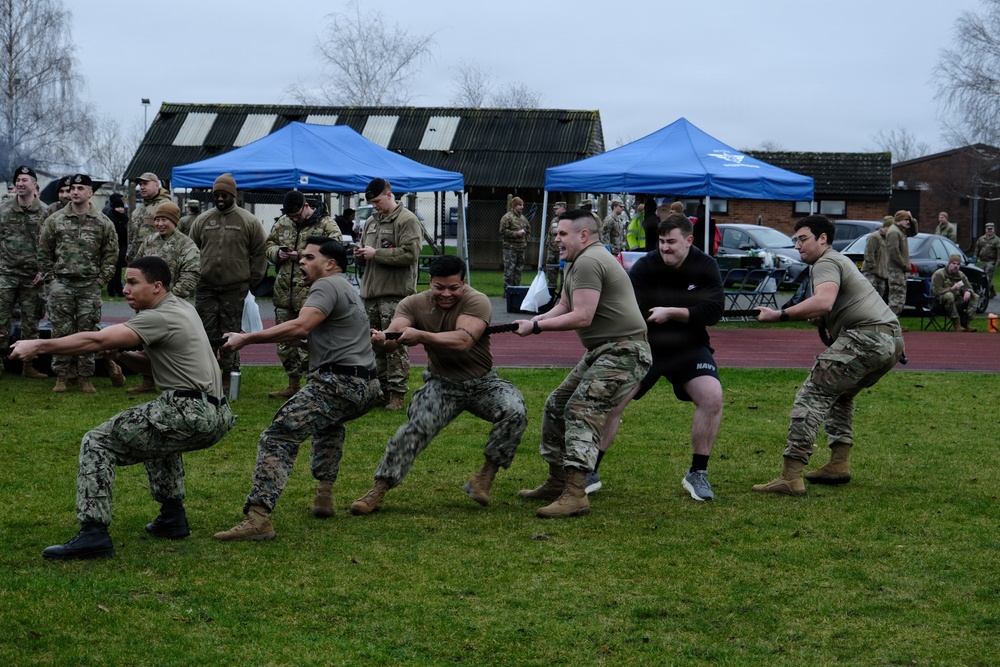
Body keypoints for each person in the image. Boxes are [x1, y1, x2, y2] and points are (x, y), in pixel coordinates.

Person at [11, 256, 236, 560]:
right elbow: (159, 366)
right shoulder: (182, 307)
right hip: (216, 413)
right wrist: (120, 354)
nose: (125, 289)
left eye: (133, 283)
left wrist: (38, 345)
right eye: (125, 282)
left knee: (97, 441)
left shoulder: (157, 317)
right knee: (159, 436)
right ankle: (172, 518)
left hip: (189, 410)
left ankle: (94, 534)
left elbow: (95, 338)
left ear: (157, 287)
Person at [213, 237, 380, 541]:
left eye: (309, 257)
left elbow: (302, 325)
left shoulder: (325, 285)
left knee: (279, 435)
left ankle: (258, 518)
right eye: (301, 257)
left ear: (330, 263)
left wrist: (246, 338)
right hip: (366, 386)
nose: (301, 261)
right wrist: (302, 340)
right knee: (328, 424)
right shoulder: (346, 287)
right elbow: (324, 335)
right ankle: (324, 496)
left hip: (339, 383)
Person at [350, 255, 528, 515]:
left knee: (515, 411)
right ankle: (378, 490)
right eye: (439, 287)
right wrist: (383, 340)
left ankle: (485, 476)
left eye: (453, 288)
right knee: (413, 431)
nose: (446, 294)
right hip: (442, 384)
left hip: (483, 383)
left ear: (463, 283)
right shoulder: (412, 304)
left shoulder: (476, 300)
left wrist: (421, 335)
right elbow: (395, 333)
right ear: (430, 282)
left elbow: (463, 340)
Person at [752, 215, 904, 495]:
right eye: (795, 240)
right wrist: (825, 318)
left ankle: (791, 475)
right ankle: (839, 463)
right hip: (891, 343)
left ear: (822, 239)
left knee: (812, 396)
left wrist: (780, 315)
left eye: (803, 238)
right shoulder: (840, 260)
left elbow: (823, 300)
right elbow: (833, 306)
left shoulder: (825, 261)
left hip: (867, 337)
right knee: (841, 394)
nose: (797, 245)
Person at [514, 209, 651, 518]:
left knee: (580, 409)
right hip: (603, 349)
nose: (556, 238)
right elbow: (564, 305)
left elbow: (582, 315)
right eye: (556, 234)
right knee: (556, 403)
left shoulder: (589, 261)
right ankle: (558, 481)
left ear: (584, 235)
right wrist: (536, 319)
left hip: (625, 350)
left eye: (562, 233)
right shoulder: (576, 262)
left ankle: (576, 493)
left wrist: (537, 328)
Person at [591, 213, 725, 500]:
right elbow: (628, 309)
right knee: (614, 401)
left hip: (690, 347)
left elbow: (714, 311)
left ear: (689, 241)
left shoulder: (705, 265)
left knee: (712, 397)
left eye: (672, 242)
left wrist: (672, 312)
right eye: (661, 241)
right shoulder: (645, 266)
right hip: (646, 347)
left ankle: (697, 473)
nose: (665, 247)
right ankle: (590, 469)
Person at [38, 174, 120, 393]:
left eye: (80, 188)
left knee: (88, 332)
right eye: (73, 188)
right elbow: (44, 251)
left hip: (89, 285)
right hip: (61, 284)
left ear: (90, 193)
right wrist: (50, 280)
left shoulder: (103, 222)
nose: (75, 192)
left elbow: (111, 255)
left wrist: (100, 281)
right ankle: (62, 376)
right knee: (60, 332)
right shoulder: (55, 220)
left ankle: (85, 377)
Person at [188, 173, 268, 392]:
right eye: (217, 195)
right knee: (205, 332)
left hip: (235, 288)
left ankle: (227, 375)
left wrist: (251, 280)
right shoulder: (203, 220)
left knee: (230, 333)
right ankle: (207, 374)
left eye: (224, 194)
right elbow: (191, 250)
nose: (220, 198)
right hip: (206, 287)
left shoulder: (248, 221)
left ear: (233, 195)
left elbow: (260, 253)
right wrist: (195, 275)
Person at [353, 178, 422, 411]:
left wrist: (377, 254)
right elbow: (368, 252)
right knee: (374, 344)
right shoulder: (371, 221)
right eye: (371, 203)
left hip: (395, 294)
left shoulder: (407, 220)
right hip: (371, 292)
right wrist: (360, 255)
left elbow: (410, 255)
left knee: (394, 345)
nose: (375, 206)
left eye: (377, 201)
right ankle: (380, 390)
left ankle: (397, 394)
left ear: (389, 194)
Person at [265, 190, 342, 399]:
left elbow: (337, 250)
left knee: (310, 344)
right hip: (284, 293)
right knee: (284, 343)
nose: (295, 219)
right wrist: (277, 253)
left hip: (311, 295)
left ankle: (314, 385)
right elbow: (269, 244)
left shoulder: (326, 225)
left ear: (306, 205)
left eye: (298, 215)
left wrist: (300, 255)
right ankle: (293, 383)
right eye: (291, 216)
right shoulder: (283, 222)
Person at [129, 202, 203, 395]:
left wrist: (171, 298)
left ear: (174, 221)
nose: (160, 224)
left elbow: (191, 273)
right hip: (146, 302)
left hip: (170, 304)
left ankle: (171, 379)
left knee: (167, 344)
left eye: (165, 220)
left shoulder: (186, 244)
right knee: (147, 342)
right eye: (157, 220)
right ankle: (147, 379)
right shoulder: (149, 241)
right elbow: (136, 266)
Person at [0, 166, 48, 379]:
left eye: (25, 180)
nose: (20, 184)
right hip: (6, 274)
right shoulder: (3, 210)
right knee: (0, 321)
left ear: (34, 185)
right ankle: (0, 364)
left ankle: (29, 366)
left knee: (31, 323)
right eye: (18, 180)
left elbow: (52, 245)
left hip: (33, 278)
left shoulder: (45, 212)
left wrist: (44, 271)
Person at [126, 172, 171, 264]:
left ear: (156, 185)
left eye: (145, 184)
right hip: (136, 259)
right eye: (140, 184)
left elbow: (171, 236)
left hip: (155, 259)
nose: (142, 187)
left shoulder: (165, 205)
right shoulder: (140, 208)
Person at [931, 253, 979, 332]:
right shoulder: (939, 274)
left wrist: (968, 291)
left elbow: (969, 287)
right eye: (953, 263)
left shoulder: (961, 275)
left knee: (975, 296)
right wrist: (951, 289)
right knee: (949, 295)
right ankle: (956, 323)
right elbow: (935, 291)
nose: (956, 266)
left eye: (958, 264)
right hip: (940, 304)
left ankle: (966, 323)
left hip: (956, 303)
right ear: (949, 264)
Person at [884, 210, 911, 317]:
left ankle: (894, 323)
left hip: (899, 270)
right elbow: (894, 252)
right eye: (906, 220)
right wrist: (904, 265)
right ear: (899, 220)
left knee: (900, 298)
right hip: (896, 270)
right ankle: (890, 323)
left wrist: (912, 219)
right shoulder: (894, 232)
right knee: (896, 298)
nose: (908, 222)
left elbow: (914, 232)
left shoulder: (901, 230)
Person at [499, 196, 529, 288]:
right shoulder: (507, 217)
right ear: (514, 206)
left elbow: (528, 230)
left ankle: (516, 290)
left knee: (518, 270)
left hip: (521, 248)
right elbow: (502, 231)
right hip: (510, 248)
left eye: (522, 205)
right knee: (509, 270)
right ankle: (508, 292)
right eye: (519, 205)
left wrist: (526, 241)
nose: (522, 207)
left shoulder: (523, 218)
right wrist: (516, 233)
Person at [861, 217, 892, 302]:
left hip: (881, 275)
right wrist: (873, 268)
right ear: (886, 227)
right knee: (869, 298)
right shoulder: (874, 237)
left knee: (879, 300)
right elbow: (868, 253)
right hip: (871, 273)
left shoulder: (889, 239)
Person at [106, 193, 129, 297]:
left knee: (117, 269)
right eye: (118, 207)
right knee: (115, 270)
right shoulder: (111, 218)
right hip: (114, 247)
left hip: (122, 246)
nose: (120, 209)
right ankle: (115, 290)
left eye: (121, 207)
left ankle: (115, 290)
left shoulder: (122, 218)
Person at [543, 201, 567, 292]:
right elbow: (553, 231)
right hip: (553, 250)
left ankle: (564, 293)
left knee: (565, 273)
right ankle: (551, 291)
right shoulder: (555, 220)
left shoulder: (569, 219)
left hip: (564, 250)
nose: (555, 211)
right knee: (551, 271)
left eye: (557, 209)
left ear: (563, 208)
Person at [974, 222, 1000, 300]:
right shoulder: (981, 239)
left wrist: (998, 261)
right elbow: (977, 249)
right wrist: (974, 258)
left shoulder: (997, 240)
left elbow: (999, 252)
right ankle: (992, 291)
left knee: (988, 275)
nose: (989, 230)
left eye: (991, 229)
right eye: (988, 229)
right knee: (982, 276)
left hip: (991, 261)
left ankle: (985, 293)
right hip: (982, 261)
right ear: (986, 230)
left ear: (993, 230)